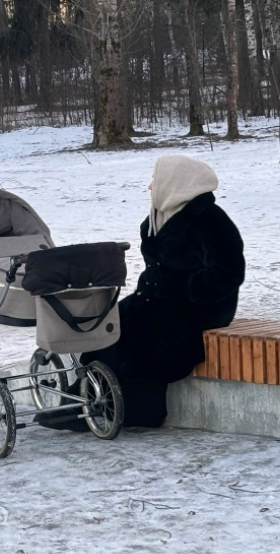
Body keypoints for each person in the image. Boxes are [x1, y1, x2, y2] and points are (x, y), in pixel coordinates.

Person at [82, 154, 246, 428]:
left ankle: (137, 412)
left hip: (200, 306)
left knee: (144, 338)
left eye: (156, 180)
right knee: (109, 325)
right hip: (157, 298)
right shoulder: (156, 217)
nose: (150, 186)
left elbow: (228, 271)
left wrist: (187, 292)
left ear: (176, 182)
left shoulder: (209, 218)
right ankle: (89, 398)